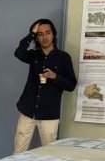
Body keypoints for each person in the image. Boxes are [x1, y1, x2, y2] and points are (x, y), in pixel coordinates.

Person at [13, 18, 77, 152]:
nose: (44, 37)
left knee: (49, 154)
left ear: (53, 34)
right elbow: (18, 53)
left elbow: (71, 85)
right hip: (28, 110)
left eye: (47, 33)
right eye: (40, 34)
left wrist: (55, 76)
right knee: (18, 152)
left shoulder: (64, 58)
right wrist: (32, 33)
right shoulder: (34, 55)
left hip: (49, 114)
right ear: (36, 38)